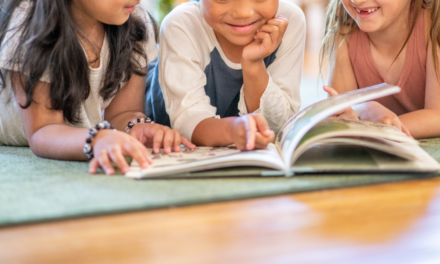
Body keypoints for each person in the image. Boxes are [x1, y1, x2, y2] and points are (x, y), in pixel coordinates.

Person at [0, 0, 195, 175]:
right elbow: (42, 131)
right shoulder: (31, 20)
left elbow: (122, 113)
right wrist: (96, 139)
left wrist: (136, 126)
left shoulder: (134, 18)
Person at [145, 0, 306, 150]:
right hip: (157, 123)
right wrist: (233, 130)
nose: (243, 13)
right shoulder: (181, 24)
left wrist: (253, 64)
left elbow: (278, 126)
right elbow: (188, 121)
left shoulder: (289, 20)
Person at [321, 0, 440, 139]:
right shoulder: (343, 22)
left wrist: (372, 127)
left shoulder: (434, 21)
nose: (357, 1)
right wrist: (365, 108)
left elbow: (437, 115)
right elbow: (338, 112)